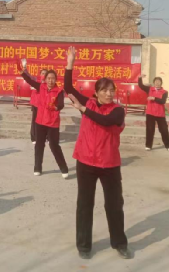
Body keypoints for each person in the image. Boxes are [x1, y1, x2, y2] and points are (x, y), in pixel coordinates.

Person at [65, 47, 131, 260]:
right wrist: (70, 63)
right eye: (105, 90)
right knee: (85, 205)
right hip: (86, 162)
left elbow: (105, 121)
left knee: (114, 205)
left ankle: (119, 243)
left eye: (112, 90)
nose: (109, 93)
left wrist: (83, 109)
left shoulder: (118, 110)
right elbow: (68, 88)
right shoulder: (90, 103)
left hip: (109, 164)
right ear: (96, 92)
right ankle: (84, 245)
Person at [19, 59, 69, 179]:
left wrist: (56, 107)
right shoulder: (40, 87)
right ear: (45, 79)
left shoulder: (59, 91)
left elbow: (61, 104)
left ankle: (64, 168)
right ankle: (37, 167)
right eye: (49, 78)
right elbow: (30, 81)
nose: (50, 80)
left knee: (54, 145)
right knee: (39, 145)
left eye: (53, 78)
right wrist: (22, 73)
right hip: (40, 121)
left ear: (56, 80)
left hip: (52, 122)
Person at [138, 74, 169, 152]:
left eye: (159, 81)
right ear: (154, 83)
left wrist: (154, 98)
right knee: (150, 130)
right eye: (156, 81)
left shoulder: (164, 92)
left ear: (161, 83)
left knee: (164, 130)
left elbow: (163, 101)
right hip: (150, 113)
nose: (157, 83)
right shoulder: (149, 89)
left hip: (160, 114)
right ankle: (148, 145)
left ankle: (168, 146)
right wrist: (140, 78)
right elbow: (141, 86)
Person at [29, 69, 48, 145]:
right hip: (36, 104)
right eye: (42, 73)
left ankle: (44, 137)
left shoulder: (48, 83)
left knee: (44, 122)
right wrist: (24, 68)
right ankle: (33, 137)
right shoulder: (36, 80)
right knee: (35, 121)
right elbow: (28, 77)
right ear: (40, 74)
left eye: (45, 73)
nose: (44, 75)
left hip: (44, 105)